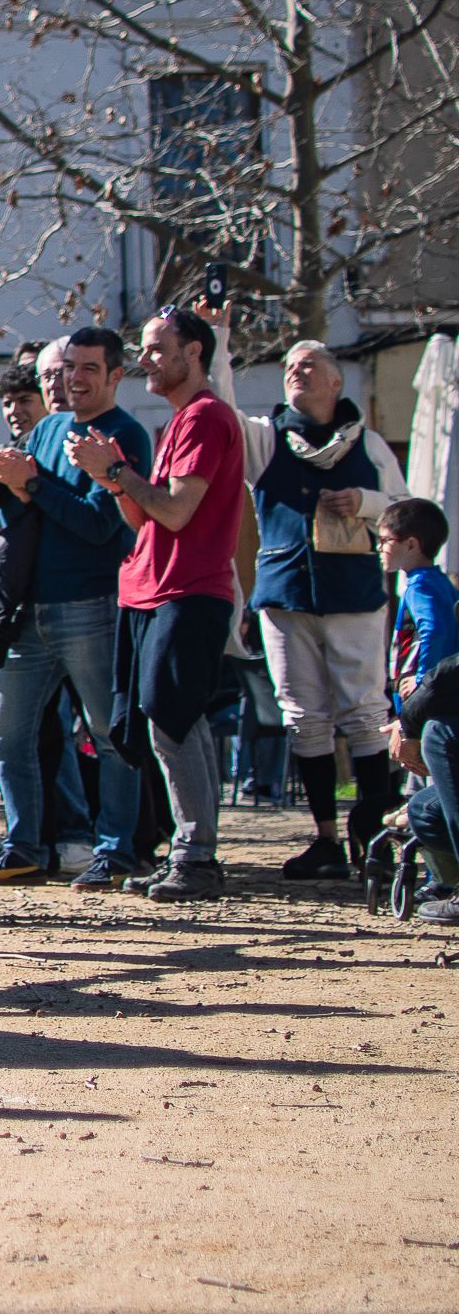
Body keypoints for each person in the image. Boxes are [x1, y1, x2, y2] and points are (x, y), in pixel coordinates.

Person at [220, 335, 409, 879]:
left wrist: (366, 503)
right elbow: (222, 407)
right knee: (302, 715)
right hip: (285, 595)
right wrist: (222, 342)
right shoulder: (265, 439)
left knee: (365, 710)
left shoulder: (370, 446)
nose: (296, 372)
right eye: (290, 368)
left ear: (335, 381)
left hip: (353, 593)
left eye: (309, 366)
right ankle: (325, 837)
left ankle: (372, 834)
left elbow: (404, 509)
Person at [72, 307, 246, 900]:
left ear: (193, 351)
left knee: (170, 716)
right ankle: (189, 852)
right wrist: (112, 479)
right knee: (161, 720)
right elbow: (146, 514)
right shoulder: (179, 422)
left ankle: (197, 856)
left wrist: (117, 467)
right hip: (152, 586)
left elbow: (176, 511)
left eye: (154, 348)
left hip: (188, 589)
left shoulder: (204, 419)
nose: (144, 358)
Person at [0, 327, 151, 884]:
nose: (74, 378)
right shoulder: (47, 429)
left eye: (89, 368)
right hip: (29, 609)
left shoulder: (125, 435)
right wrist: (8, 482)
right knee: (7, 734)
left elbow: (100, 526)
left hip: (91, 605)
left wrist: (34, 485)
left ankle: (116, 852)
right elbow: (32, 512)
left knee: (109, 736)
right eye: (69, 366)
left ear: (115, 375)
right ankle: (21, 847)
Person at [381, 499, 459, 917]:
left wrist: (421, 684)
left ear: (412, 544)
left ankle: (440, 880)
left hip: (428, 706)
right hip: (428, 700)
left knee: (425, 792)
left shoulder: (423, 584)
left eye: (385, 541)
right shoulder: (434, 581)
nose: (380, 549)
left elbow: (436, 629)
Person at [0, 361, 48, 444]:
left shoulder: (66, 447)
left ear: (46, 401)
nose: (14, 411)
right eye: (7, 404)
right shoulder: (7, 453)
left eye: (24, 401)